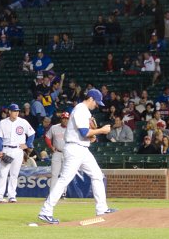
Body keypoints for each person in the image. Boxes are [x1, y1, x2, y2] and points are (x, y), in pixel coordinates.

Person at [38, 89, 115, 224]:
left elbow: (85, 134)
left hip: (82, 148)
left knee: (97, 175)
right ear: (90, 99)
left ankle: (102, 209)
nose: (97, 105)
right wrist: (102, 130)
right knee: (64, 180)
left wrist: (91, 137)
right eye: (96, 102)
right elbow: (84, 132)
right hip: (74, 149)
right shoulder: (80, 109)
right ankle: (46, 211)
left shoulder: (85, 111)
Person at [0, 104, 34, 203]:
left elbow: (32, 133)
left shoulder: (23, 122)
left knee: (14, 174)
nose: (16, 113)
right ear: (9, 112)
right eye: (14, 111)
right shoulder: (3, 122)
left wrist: (27, 144)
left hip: (18, 150)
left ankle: (12, 196)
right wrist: (0, 150)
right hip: (6, 150)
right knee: (2, 173)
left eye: (17, 111)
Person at [45, 111, 69, 190]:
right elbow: (47, 137)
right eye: (64, 118)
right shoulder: (54, 127)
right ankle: (52, 193)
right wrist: (51, 146)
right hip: (57, 153)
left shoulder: (71, 128)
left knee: (64, 175)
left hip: (67, 154)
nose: (65, 120)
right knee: (54, 174)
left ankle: (63, 193)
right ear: (61, 119)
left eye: (67, 119)